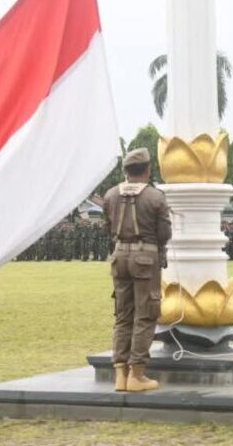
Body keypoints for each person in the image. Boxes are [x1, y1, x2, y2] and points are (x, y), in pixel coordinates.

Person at [101, 148, 172, 392]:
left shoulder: (110, 195)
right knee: (146, 314)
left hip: (119, 255)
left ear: (126, 171)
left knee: (123, 315)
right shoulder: (155, 197)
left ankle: (120, 373)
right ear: (148, 169)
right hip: (145, 258)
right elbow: (165, 234)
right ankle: (137, 374)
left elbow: (108, 228)